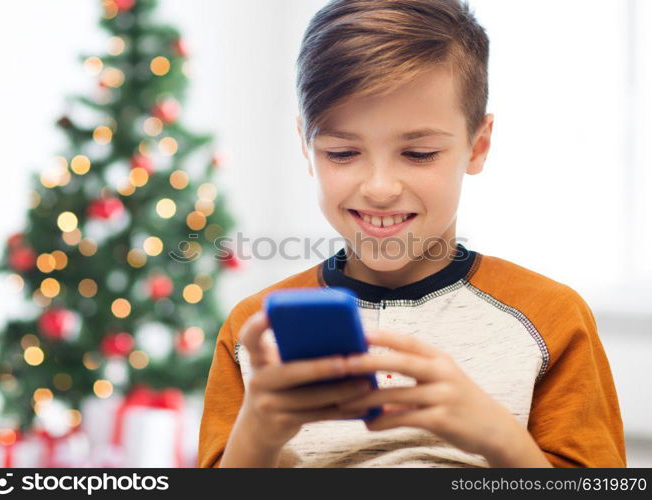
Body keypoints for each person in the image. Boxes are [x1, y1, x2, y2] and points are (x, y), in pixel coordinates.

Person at [198, 0, 626, 468]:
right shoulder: (254, 333)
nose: (380, 188)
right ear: (306, 147)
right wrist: (256, 436)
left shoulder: (552, 319)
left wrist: (501, 439)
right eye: (342, 153)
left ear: (477, 146)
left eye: (418, 154)